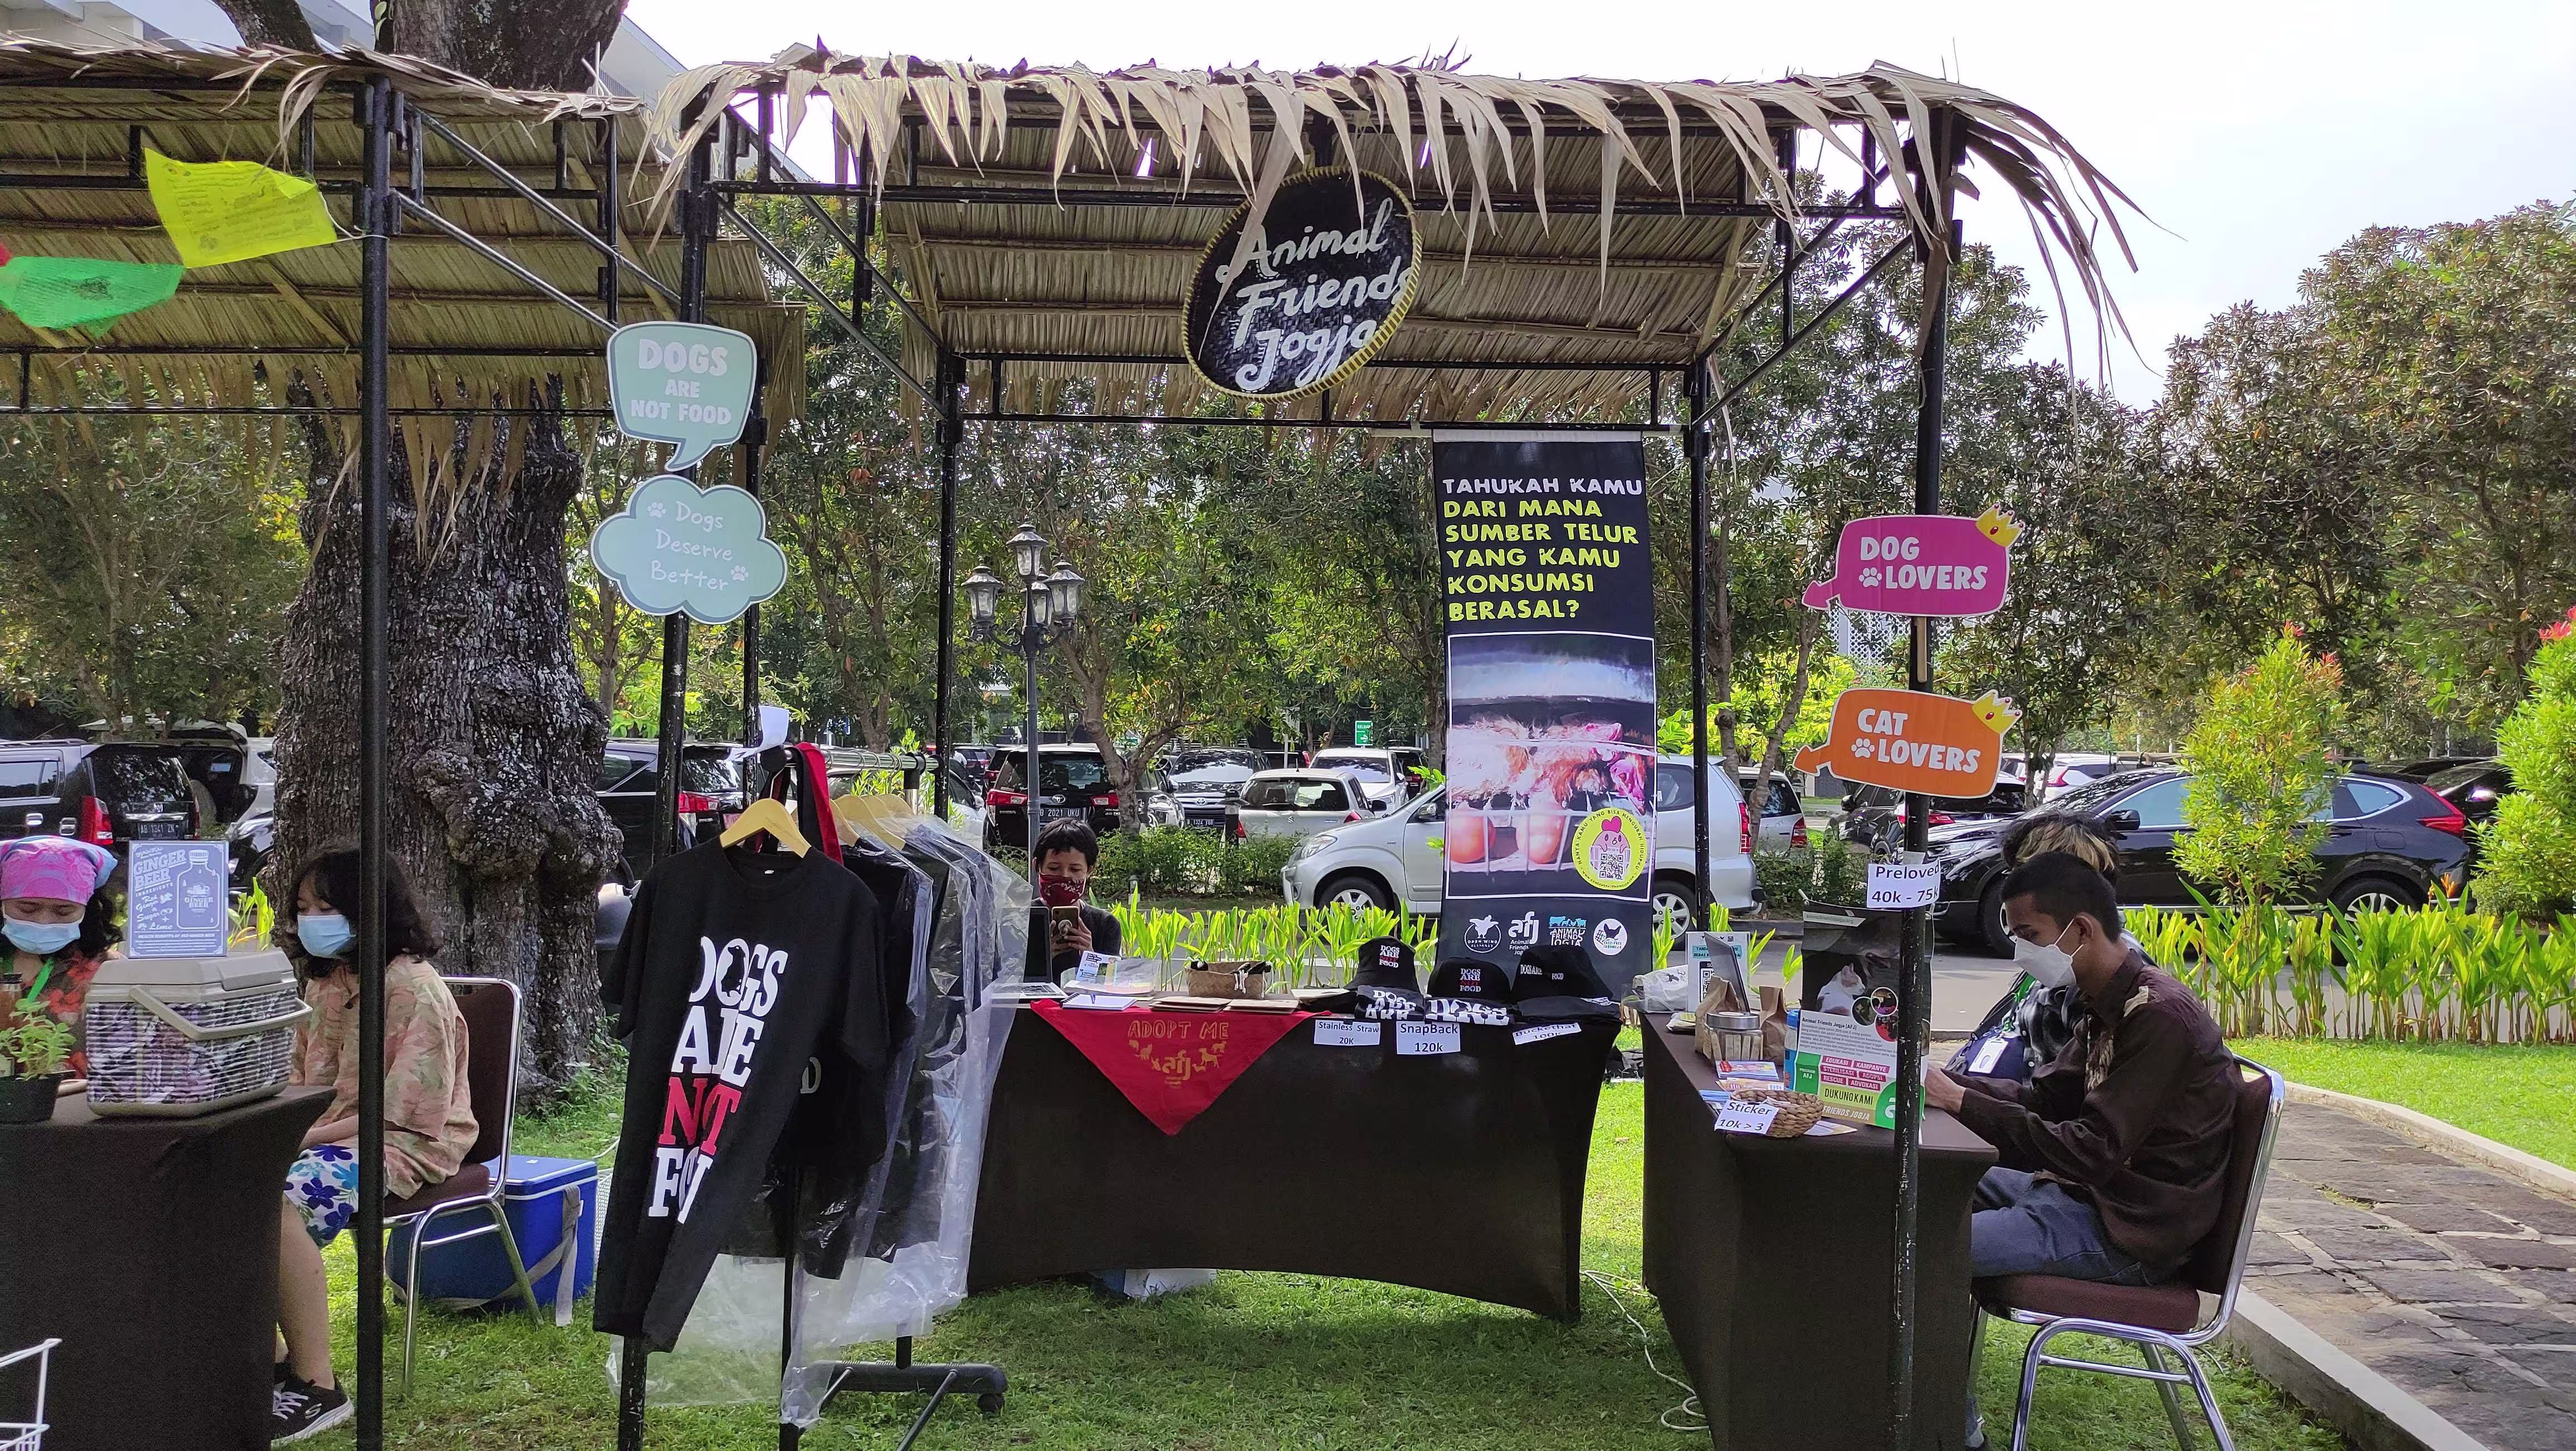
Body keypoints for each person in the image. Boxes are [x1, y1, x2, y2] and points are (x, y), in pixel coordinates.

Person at [1921, 852, 2240, 1449]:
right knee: (1926, 1187)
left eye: (2029, 936)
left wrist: (1961, 1104)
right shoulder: (2105, 1001)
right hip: (2078, 1198)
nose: (2020, 953)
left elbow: (2090, 1151)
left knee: (1917, 1254)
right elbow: (2045, 1097)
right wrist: (1943, 1082)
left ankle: (1949, 1436)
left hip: (2126, 1232)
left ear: (2082, 930)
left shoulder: (2159, 1017)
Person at [271, 850, 478, 1444]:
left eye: (327, 908)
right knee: (226, 1178)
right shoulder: (325, 981)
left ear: (370, 911)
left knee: (278, 1199)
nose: (312, 920)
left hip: (407, 1143)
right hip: (326, 1134)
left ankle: (318, 1387)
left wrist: (302, 1136)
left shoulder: (413, 989)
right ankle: (271, 1360)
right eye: (303, 908)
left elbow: (405, 1112)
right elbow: (299, 1077)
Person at [0, 837, 122, 1076]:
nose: (44, 921)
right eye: (27, 908)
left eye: (63, 911)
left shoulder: (107, 973)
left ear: (86, 911)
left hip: (75, 1108)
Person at [1027, 819, 1121, 982]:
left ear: (1089, 870)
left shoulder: (1106, 925)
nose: (1065, 876)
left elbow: (1108, 986)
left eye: (1075, 869)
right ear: (1037, 866)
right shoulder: (1019, 921)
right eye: (1054, 868)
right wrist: (1042, 958)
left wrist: (1090, 957)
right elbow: (1006, 984)